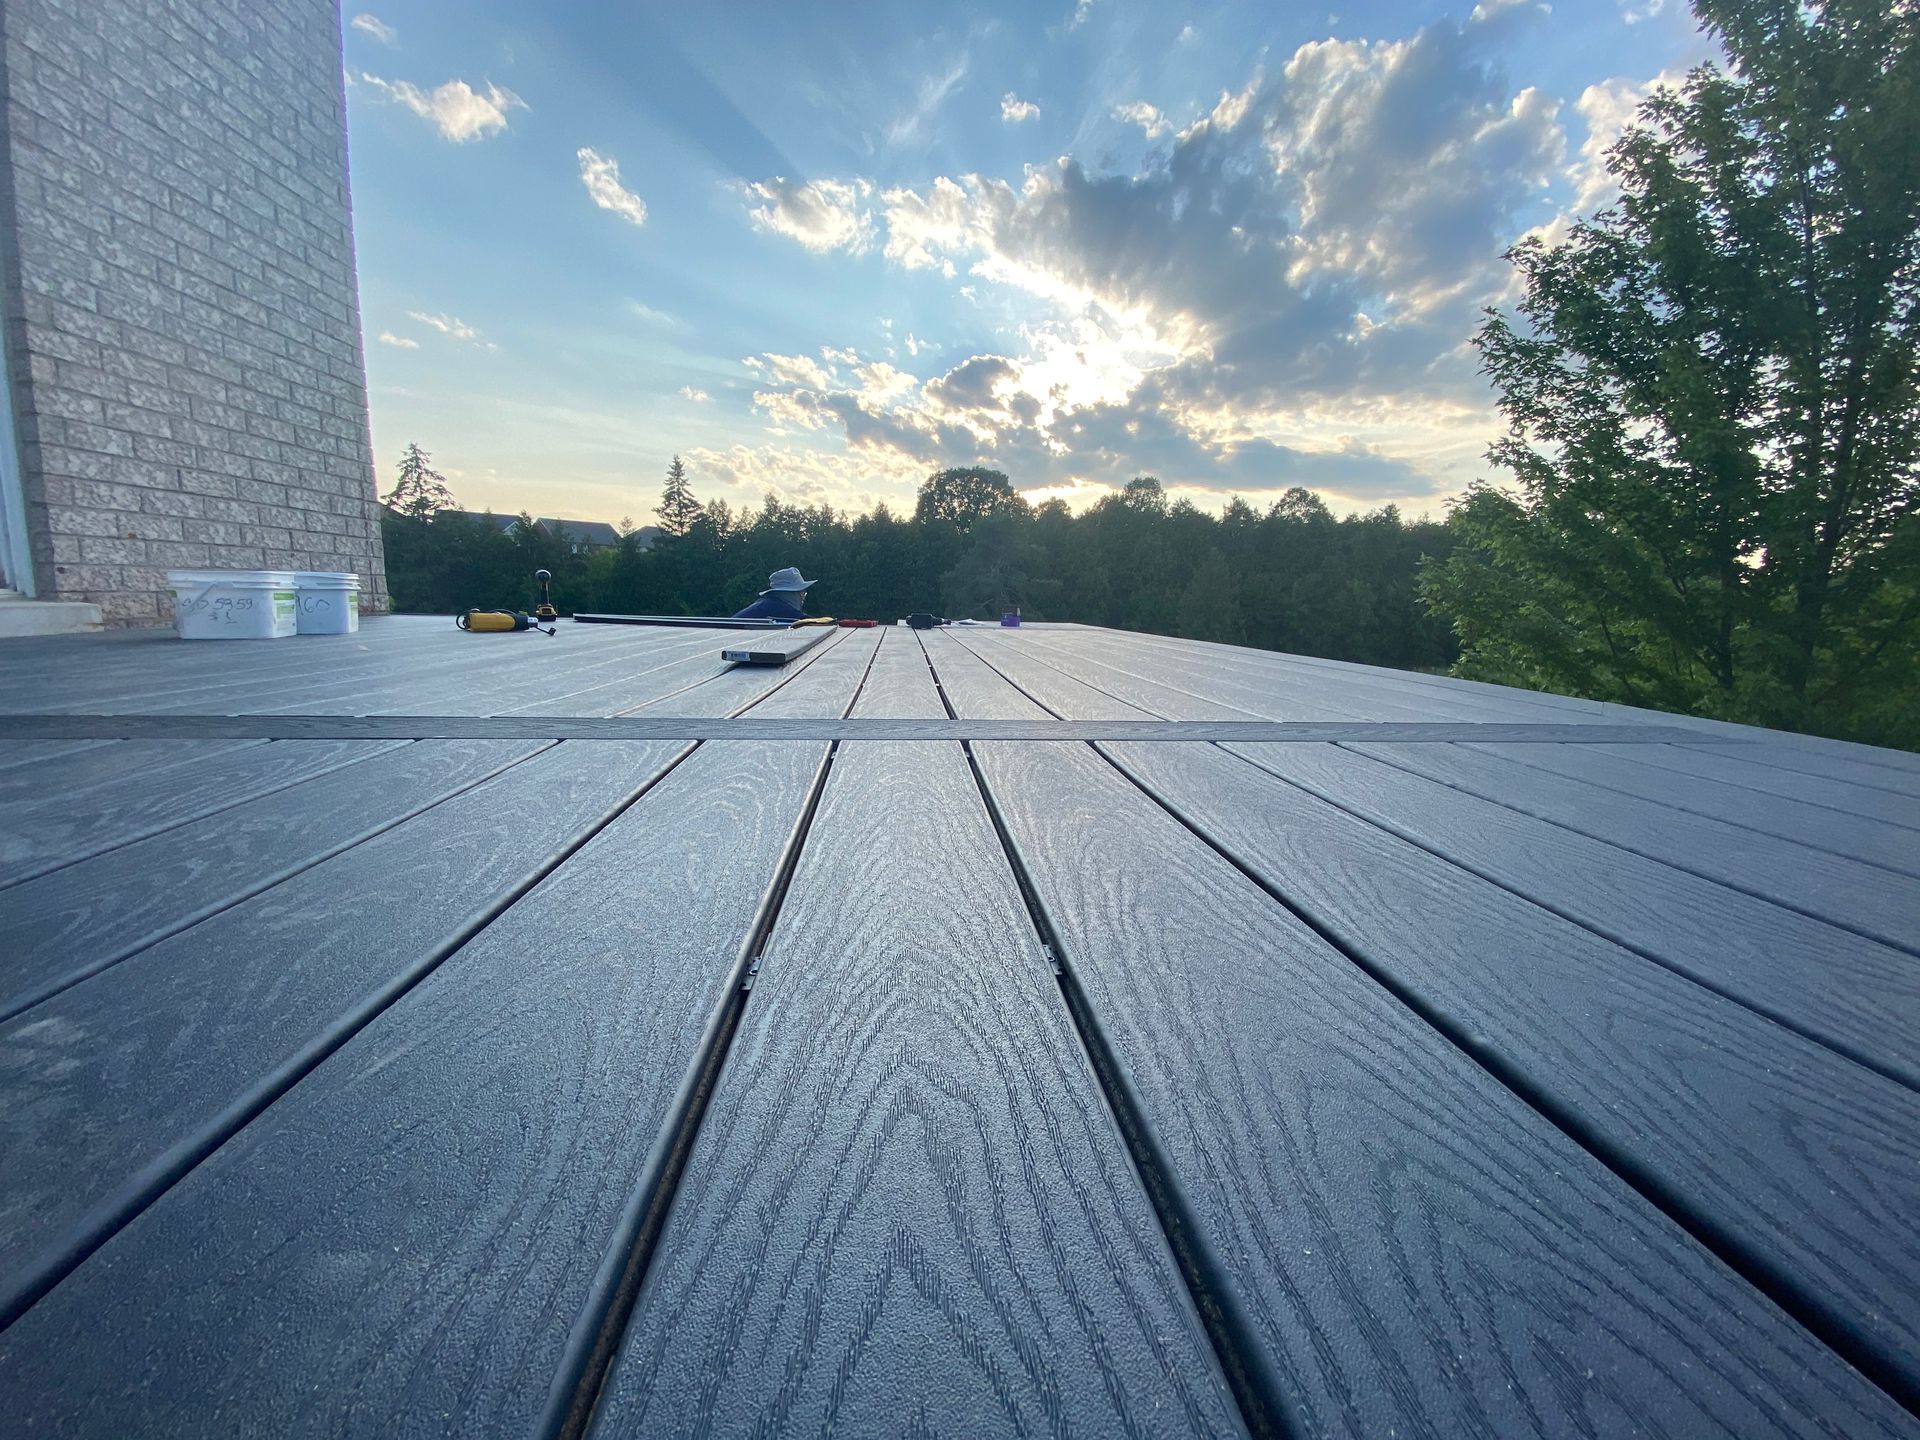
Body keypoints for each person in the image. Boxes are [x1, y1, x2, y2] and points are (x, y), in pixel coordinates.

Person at [733, 566, 816, 621]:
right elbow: (811, 623)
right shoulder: (778, 608)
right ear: (790, 593)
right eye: (801, 593)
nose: (802, 598)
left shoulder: (766, 604)